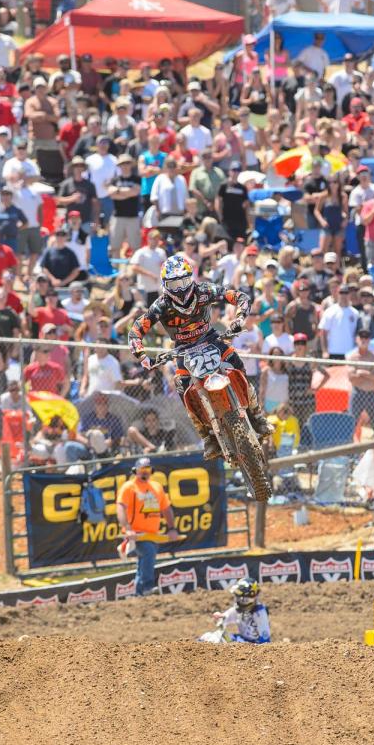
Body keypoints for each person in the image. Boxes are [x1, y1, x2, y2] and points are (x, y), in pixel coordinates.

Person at [129, 254, 272, 460]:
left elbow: (238, 296)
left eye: (184, 281)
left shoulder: (205, 291)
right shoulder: (160, 306)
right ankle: (207, 437)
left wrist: (239, 318)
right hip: (183, 348)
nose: (180, 288)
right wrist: (143, 356)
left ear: (191, 278)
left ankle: (257, 416)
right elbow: (136, 331)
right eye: (174, 283)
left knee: (239, 367)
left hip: (210, 338)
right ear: (165, 285)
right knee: (183, 389)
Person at [116, 456, 180, 596]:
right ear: (135, 470)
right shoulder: (129, 487)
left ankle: (139, 595)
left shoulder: (156, 487)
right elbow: (120, 507)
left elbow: (166, 509)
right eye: (142, 469)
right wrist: (127, 528)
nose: (145, 472)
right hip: (137, 535)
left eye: (148, 469)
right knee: (148, 552)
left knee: (144, 561)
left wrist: (172, 528)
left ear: (152, 470)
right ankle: (147, 587)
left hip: (152, 535)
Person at [211, 578, 271, 644]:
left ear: (247, 597)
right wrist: (220, 617)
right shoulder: (238, 609)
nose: (238, 599)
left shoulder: (259, 613)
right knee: (210, 637)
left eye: (240, 596)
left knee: (221, 638)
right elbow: (226, 616)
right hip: (243, 640)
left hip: (253, 646)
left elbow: (265, 639)